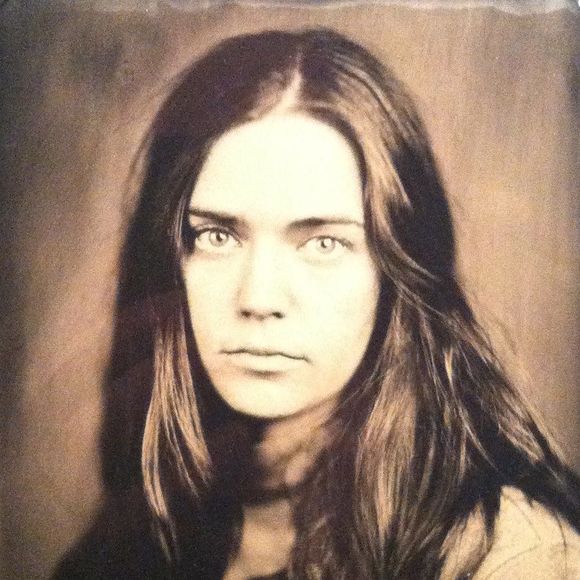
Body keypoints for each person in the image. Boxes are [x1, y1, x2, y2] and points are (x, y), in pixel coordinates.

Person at [55, 28, 580, 579]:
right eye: (217, 236)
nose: (259, 298)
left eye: (323, 244)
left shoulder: (511, 557)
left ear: (395, 271)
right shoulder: (129, 544)